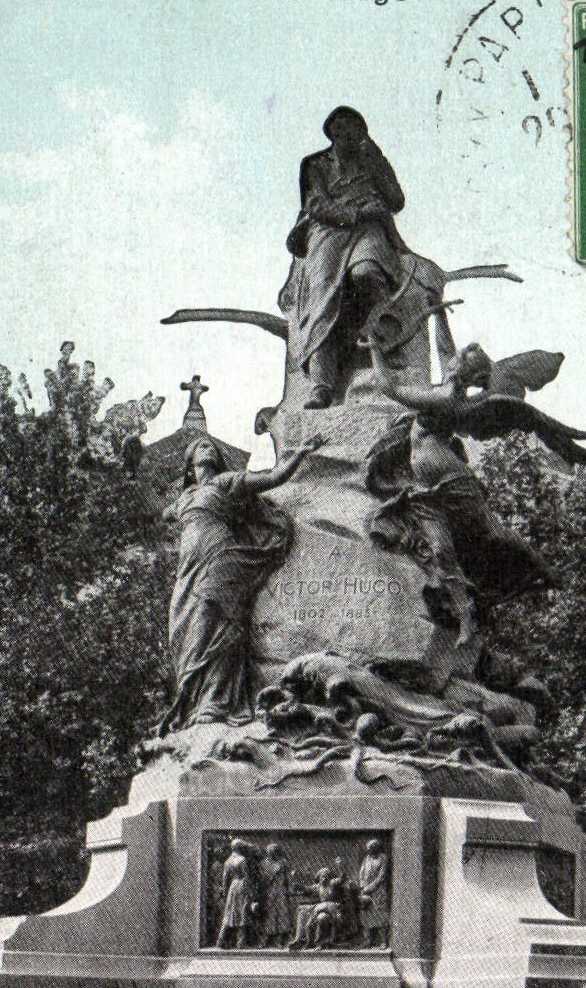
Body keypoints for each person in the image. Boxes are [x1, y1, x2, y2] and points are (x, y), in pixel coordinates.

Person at [163, 434, 325, 729]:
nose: (208, 448)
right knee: (182, 630)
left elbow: (273, 477)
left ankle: (216, 701)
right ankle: (193, 704)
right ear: (189, 465)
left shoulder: (226, 481)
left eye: (211, 446)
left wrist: (300, 452)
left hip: (221, 557)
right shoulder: (184, 499)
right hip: (189, 568)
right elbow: (157, 511)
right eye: (201, 446)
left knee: (214, 622)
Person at [280, 107, 408, 409]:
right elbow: (316, 205)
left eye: (355, 131)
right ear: (333, 133)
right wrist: (354, 212)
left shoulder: (372, 162)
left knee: (366, 273)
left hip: (368, 229)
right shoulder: (315, 165)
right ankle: (322, 384)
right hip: (329, 229)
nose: (348, 137)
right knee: (323, 293)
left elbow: (397, 201)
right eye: (342, 131)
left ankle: (384, 346)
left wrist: (378, 161)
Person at [216, 838, 257, 949]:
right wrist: (251, 892)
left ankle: (220, 941)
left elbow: (225, 879)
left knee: (230, 914)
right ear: (240, 848)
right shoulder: (242, 860)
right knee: (243, 913)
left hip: (232, 888)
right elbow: (246, 876)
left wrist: (225, 891)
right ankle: (241, 943)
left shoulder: (228, 861)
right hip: (242, 886)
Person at [257, 841, 294, 946]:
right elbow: (262, 879)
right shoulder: (263, 864)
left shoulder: (283, 863)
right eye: (270, 851)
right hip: (269, 892)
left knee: (282, 914)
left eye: (274, 851)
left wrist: (289, 889)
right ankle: (266, 939)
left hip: (281, 891)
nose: (272, 853)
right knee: (269, 915)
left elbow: (288, 878)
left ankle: (280, 939)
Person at [357, 838, 391, 948]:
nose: (368, 851)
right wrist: (362, 885)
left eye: (370, 849)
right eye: (368, 849)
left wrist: (370, 887)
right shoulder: (367, 858)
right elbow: (361, 872)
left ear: (376, 848)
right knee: (367, 915)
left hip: (378, 891)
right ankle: (369, 940)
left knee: (380, 915)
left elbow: (381, 876)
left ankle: (383, 941)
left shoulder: (383, 858)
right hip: (366, 891)